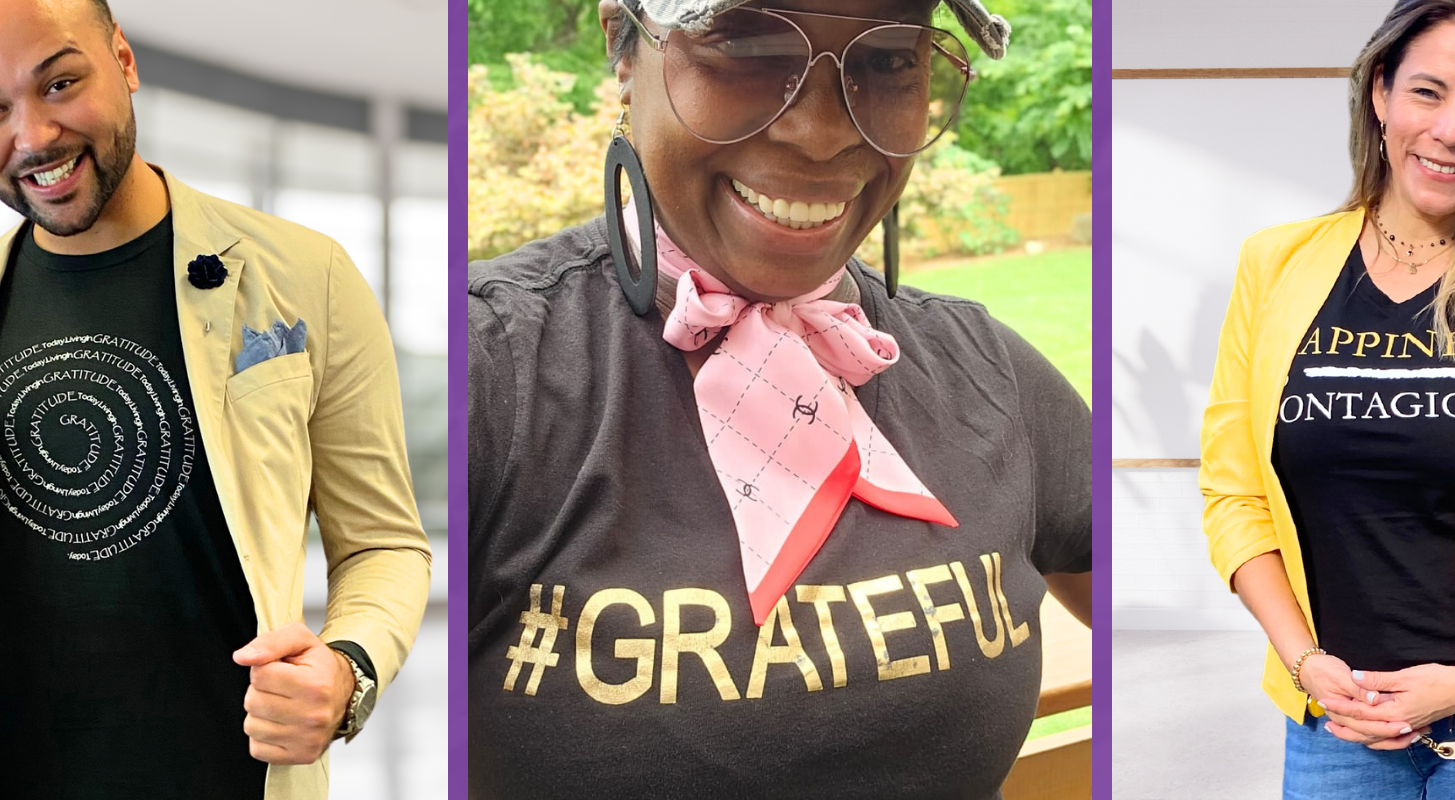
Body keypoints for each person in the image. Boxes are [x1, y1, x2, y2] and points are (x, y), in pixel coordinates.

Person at [462, 0, 1093, 796]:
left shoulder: (986, 370)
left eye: (890, 57)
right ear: (624, 47)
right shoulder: (487, 373)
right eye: (747, 42)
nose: (822, 131)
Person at [0, 1, 432, 798]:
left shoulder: (307, 275)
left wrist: (348, 673)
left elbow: (382, 544)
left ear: (124, 62)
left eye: (60, 83)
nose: (33, 138)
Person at [1196, 0, 1455, 797]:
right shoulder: (1274, 265)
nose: (1452, 130)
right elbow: (1233, 494)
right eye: (1427, 92)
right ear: (1380, 95)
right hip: (1338, 714)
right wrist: (1306, 665)